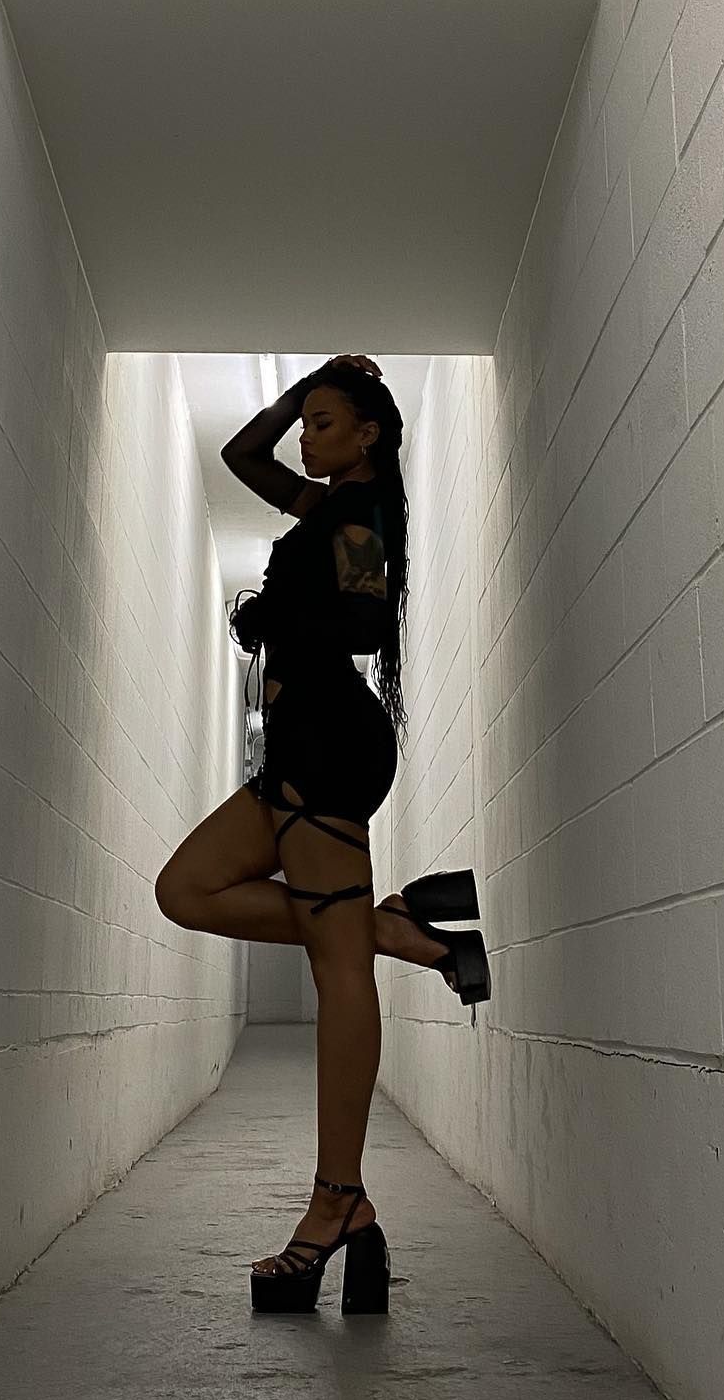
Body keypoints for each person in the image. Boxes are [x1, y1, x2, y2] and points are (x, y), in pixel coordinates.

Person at [154, 355, 490, 1313]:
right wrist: (304, 389)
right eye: (308, 424)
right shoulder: (321, 504)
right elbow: (242, 456)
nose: (307, 437)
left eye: (327, 423)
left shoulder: (359, 515)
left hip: (330, 746)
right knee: (187, 889)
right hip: (295, 750)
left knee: (337, 972)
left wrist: (276, 615)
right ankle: (401, 930)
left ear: (370, 434)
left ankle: (337, 1200)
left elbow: (365, 622)